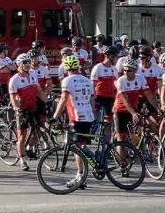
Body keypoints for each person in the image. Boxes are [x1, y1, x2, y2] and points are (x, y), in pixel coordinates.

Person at [51, 55, 96, 189]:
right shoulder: (87, 80)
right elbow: (92, 101)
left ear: (66, 67)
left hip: (77, 117)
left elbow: (64, 99)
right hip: (88, 116)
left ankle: (80, 176)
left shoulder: (67, 80)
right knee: (79, 144)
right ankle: (91, 163)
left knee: (76, 147)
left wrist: (55, 116)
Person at [9, 53, 47, 171]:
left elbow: (39, 90)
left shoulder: (33, 74)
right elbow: (13, 97)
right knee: (22, 135)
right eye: (24, 62)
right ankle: (22, 160)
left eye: (28, 62)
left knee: (36, 131)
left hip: (33, 106)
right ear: (19, 65)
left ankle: (29, 147)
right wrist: (16, 108)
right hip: (22, 109)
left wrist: (47, 101)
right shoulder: (14, 79)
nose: (27, 64)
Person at [114, 59, 159, 144]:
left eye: (129, 70)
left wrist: (157, 108)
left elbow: (148, 94)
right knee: (121, 140)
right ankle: (121, 154)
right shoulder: (121, 80)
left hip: (134, 108)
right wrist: (133, 113)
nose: (126, 72)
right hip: (121, 109)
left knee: (145, 126)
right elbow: (125, 99)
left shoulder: (140, 78)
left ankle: (142, 148)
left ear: (135, 70)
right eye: (125, 70)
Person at [90, 46, 119, 128]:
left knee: (109, 121)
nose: (117, 59)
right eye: (116, 56)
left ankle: (105, 139)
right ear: (110, 56)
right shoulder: (98, 67)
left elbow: (116, 85)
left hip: (110, 97)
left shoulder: (114, 69)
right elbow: (93, 85)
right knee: (93, 117)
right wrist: (92, 99)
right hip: (99, 96)